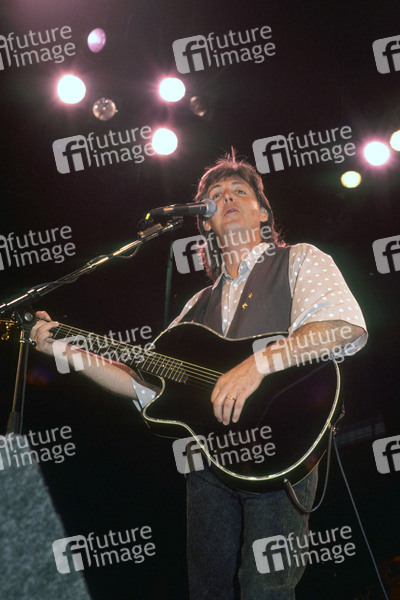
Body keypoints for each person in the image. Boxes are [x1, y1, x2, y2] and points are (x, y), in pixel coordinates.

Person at [31, 153, 368, 599]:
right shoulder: (196, 307)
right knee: (207, 591)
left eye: (239, 192)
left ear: (263, 214)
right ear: (205, 222)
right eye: (215, 195)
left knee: (265, 590)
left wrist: (257, 364)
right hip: (208, 463)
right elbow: (139, 384)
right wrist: (64, 349)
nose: (226, 198)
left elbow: (343, 327)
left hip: (282, 446)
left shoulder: (300, 259)